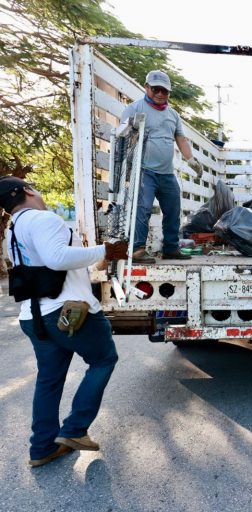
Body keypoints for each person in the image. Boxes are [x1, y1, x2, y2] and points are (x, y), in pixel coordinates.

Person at [0, 176, 127, 468]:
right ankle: (74, 429)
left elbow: (44, 265)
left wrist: (96, 261)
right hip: (66, 312)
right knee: (104, 359)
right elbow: (56, 258)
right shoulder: (45, 219)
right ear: (28, 190)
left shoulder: (13, 228)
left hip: (34, 316)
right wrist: (105, 250)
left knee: (49, 378)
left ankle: (42, 448)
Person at [120, 70, 202, 264]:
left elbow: (180, 139)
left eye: (164, 91)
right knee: (143, 209)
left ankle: (171, 248)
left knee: (173, 209)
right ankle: (138, 249)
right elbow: (122, 136)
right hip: (144, 170)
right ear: (146, 87)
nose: (160, 94)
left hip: (166, 173)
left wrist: (191, 160)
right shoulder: (134, 109)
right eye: (156, 89)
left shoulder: (173, 114)